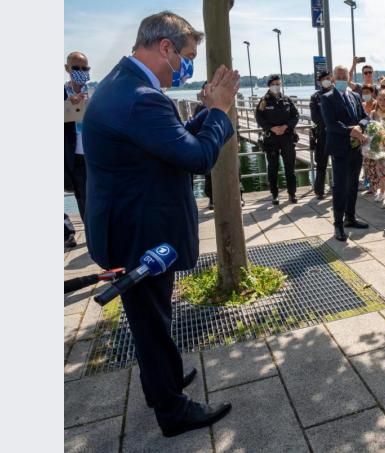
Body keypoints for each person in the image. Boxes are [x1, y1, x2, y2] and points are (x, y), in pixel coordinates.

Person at [82, 11, 239, 436]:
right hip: (139, 231)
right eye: (186, 56)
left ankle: (162, 381)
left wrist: (207, 114)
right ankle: (172, 410)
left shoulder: (124, 84)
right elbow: (196, 157)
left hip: (128, 224)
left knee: (154, 316)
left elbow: (175, 138)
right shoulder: (139, 96)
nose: (187, 66)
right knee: (151, 322)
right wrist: (221, 111)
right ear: (165, 48)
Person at [319, 65, 370, 242]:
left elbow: (365, 116)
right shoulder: (326, 98)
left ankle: (350, 218)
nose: (341, 78)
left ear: (349, 77)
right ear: (333, 79)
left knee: (353, 185)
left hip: (356, 148)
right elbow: (331, 124)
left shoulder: (355, 96)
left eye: (344, 76)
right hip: (340, 149)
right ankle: (338, 224)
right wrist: (351, 130)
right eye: (338, 76)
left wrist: (360, 127)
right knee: (340, 187)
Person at [256, 74, 300, 205]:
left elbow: (296, 116)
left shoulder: (287, 100)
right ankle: (275, 195)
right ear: (269, 85)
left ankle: (292, 194)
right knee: (273, 168)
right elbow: (259, 118)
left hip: (287, 137)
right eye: (274, 84)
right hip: (271, 139)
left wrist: (286, 126)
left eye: (278, 84)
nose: (276, 86)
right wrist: (271, 128)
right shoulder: (264, 101)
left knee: (289, 168)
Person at [64, 51, 92, 223]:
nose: (81, 71)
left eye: (85, 68)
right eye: (76, 68)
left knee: (105, 196)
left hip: (96, 153)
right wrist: (68, 105)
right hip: (76, 157)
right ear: (67, 68)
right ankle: (92, 239)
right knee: (84, 199)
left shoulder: (96, 92)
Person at [310, 70, 333, 200]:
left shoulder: (338, 94)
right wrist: (328, 124)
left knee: (339, 162)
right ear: (319, 82)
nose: (326, 80)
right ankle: (319, 190)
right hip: (322, 134)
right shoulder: (315, 97)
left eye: (328, 78)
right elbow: (314, 116)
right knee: (321, 164)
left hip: (336, 134)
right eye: (323, 79)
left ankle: (339, 187)